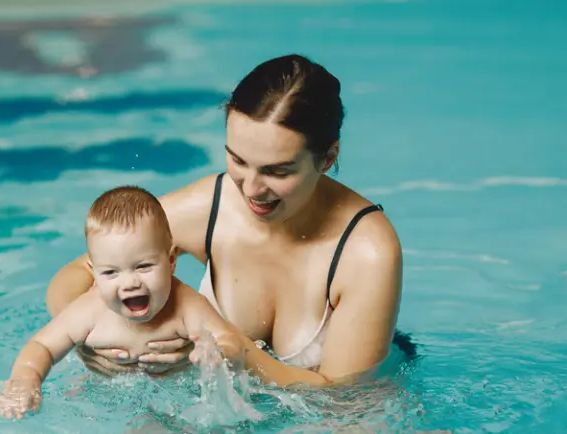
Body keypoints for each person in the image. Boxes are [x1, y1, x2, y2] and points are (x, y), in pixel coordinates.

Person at [46, 53, 416, 388]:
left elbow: (345, 396)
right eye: (238, 161)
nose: (252, 189)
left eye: (277, 171)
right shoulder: (210, 206)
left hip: (342, 411)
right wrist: (92, 341)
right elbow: (77, 275)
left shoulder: (367, 250)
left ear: (327, 157)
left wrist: (236, 350)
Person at [0, 186, 248, 419]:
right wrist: (26, 379)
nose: (129, 283)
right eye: (110, 273)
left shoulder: (187, 306)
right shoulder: (91, 309)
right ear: (94, 273)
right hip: (102, 390)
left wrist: (218, 353)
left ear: (171, 261)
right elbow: (42, 346)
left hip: (176, 401)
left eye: (143, 266)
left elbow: (231, 341)